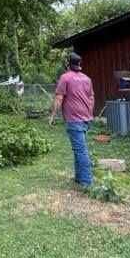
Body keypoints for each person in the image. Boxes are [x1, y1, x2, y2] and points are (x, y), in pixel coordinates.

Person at [48, 53, 94, 187]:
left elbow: (59, 98)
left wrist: (52, 115)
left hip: (74, 119)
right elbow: (91, 98)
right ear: (79, 65)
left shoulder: (65, 77)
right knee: (77, 149)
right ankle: (79, 177)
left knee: (81, 150)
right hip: (86, 118)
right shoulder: (87, 78)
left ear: (67, 64)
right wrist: (89, 113)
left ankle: (87, 182)